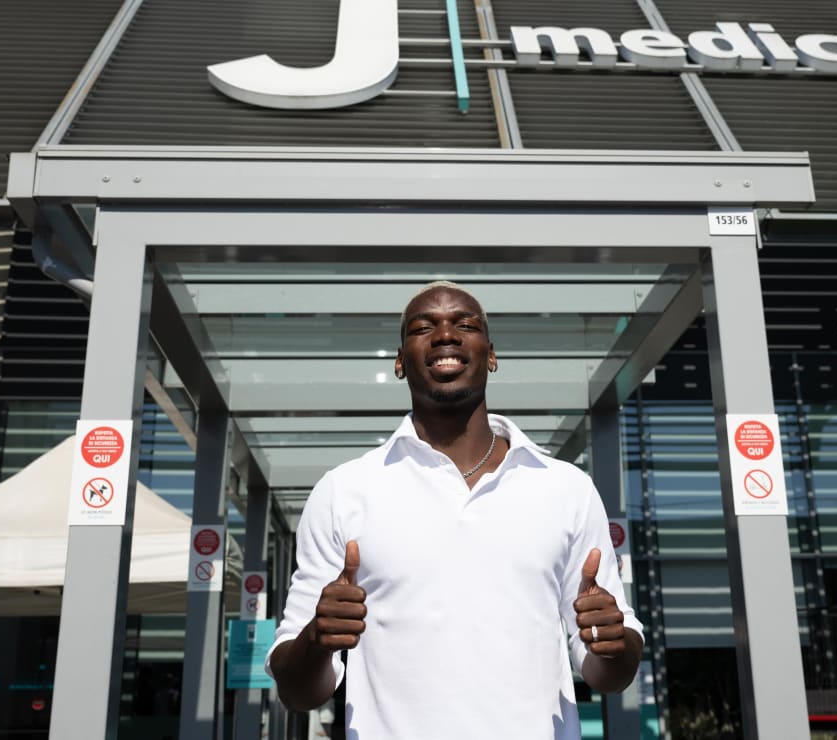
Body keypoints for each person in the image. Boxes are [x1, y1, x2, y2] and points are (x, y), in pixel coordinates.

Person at [266, 281, 643, 739]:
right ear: (401, 363)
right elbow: (298, 692)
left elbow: (610, 673)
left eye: (465, 324)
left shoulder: (567, 488)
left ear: (491, 355)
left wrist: (613, 642)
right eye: (424, 327)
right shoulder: (343, 490)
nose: (446, 334)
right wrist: (315, 640)